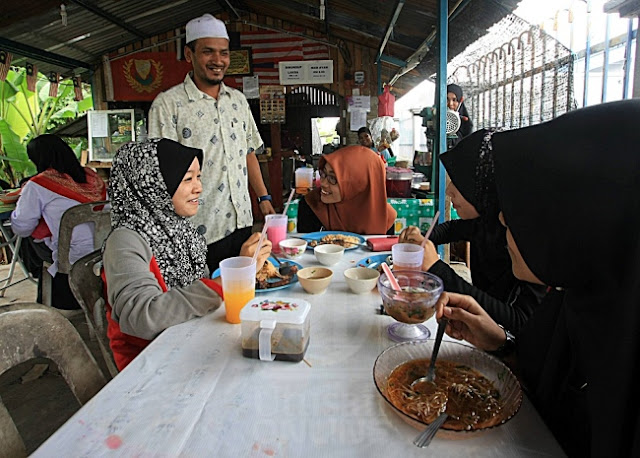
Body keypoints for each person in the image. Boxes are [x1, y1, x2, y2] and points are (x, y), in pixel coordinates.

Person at [433, 100, 640, 457]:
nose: (501, 220)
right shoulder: (577, 303)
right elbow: (553, 393)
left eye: (522, 208)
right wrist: (503, 345)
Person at [102, 139, 271, 370]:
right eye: (187, 179)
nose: (199, 187)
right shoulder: (125, 240)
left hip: (189, 337)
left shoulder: (181, 229)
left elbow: (195, 292)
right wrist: (226, 283)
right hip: (150, 361)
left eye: (198, 177)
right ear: (153, 183)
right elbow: (141, 316)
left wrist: (243, 264)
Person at [148, 13, 275, 273]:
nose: (218, 60)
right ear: (189, 54)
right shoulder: (168, 104)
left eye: (224, 53)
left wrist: (263, 196)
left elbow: (248, 151)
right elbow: (163, 174)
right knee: (204, 303)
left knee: (245, 293)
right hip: (197, 230)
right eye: (208, 52)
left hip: (242, 222)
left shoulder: (238, 101)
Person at [400, 129, 546, 334]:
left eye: (459, 184)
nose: (449, 191)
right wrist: (423, 239)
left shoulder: (527, 239)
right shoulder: (487, 220)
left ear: (485, 186)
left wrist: (437, 268)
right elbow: (452, 228)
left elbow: (520, 322)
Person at [11, 134, 106, 309]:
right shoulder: (93, 178)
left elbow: (21, 227)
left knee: (30, 237)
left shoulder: (38, 184)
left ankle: (46, 290)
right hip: (104, 249)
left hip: (71, 255)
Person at [297, 145, 396, 235]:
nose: (323, 183)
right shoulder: (311, 206)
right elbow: (304, 251)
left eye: (332, 178)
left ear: (358, 184)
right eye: (323, 173)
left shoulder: (385, 217)